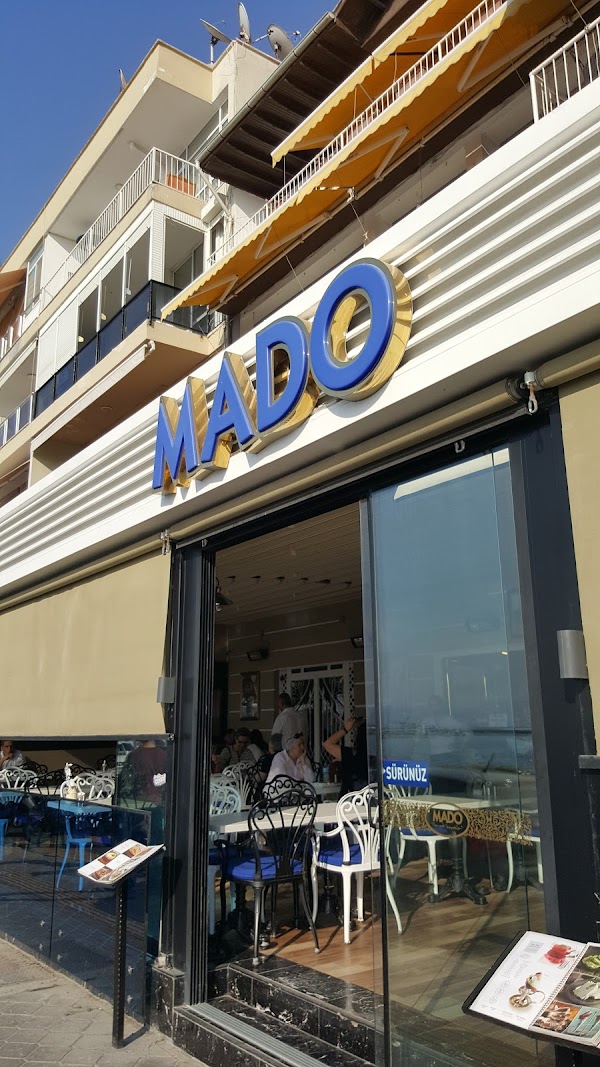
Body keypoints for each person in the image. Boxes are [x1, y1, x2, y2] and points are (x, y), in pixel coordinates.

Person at [322, 717, 368, 796]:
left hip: (349, 799)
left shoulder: (350, 754)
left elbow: (327, 744)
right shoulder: (378, 758)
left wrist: (345, 729)